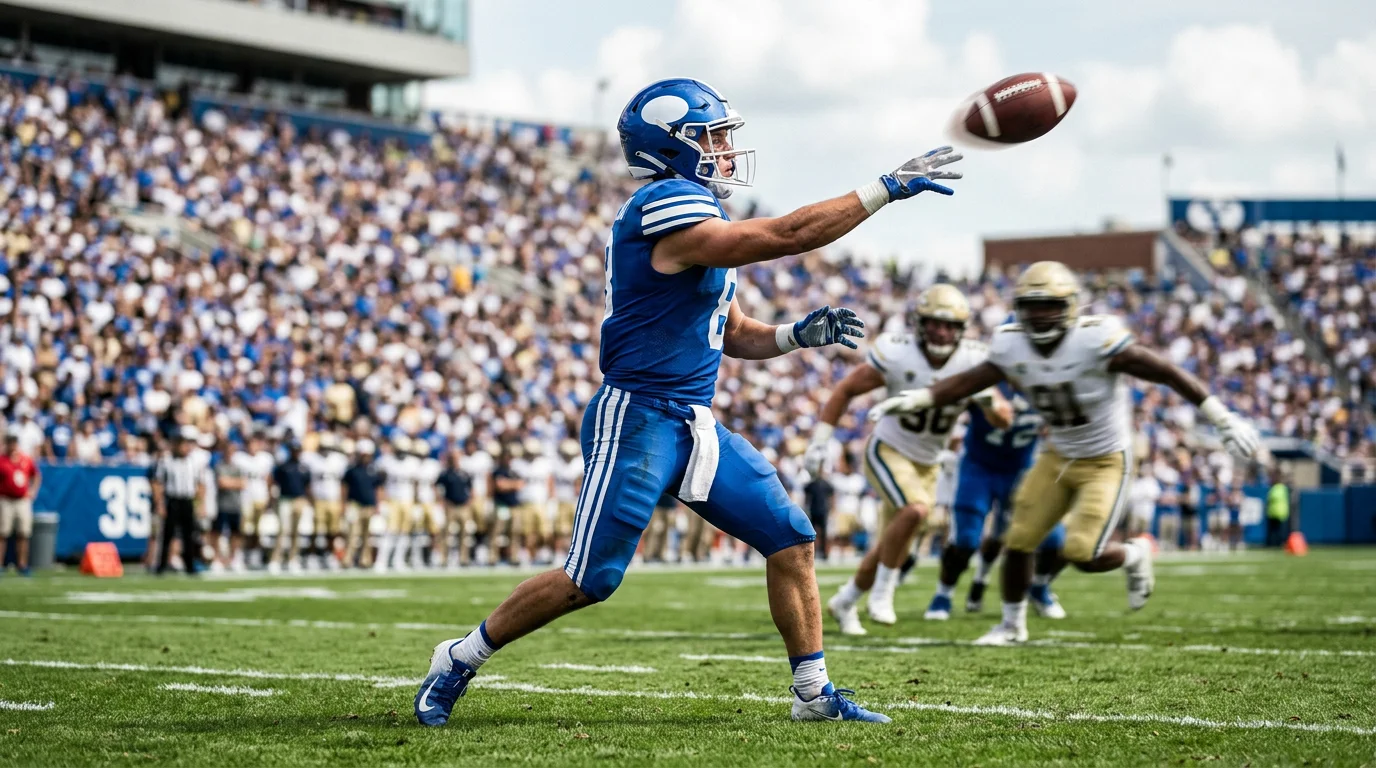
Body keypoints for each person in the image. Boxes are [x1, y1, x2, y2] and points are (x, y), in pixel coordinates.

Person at [415, 76, 962, 727]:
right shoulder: (665, 203)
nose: (726, 149)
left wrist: (794, 335)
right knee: (590, 580)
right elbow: (787, 234)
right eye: (711, 136)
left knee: (791, 537)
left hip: (691, 423)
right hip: (639, 415)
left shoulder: (699, 214)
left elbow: (729, 333)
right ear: (670, 148)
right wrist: (882, 189)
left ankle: (813, 694)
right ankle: (458, 657)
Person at [870, 261, 1261, 645]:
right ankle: (1011, 625)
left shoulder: (1094, 338)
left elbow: (1165, 371)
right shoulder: (1011, 344)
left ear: (1070, 307)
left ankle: (1135, 553)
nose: (1039, 317)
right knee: (1019, 538)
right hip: (1058, 453)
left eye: (1050, 306)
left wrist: (1220, 416)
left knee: (1081, 553)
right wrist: (920, 397)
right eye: (1031, 306)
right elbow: (972, 381)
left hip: (1106, 457)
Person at [804, 284, 1012, 635]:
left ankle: (845, 600)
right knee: (914, 510)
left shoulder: (973, 360)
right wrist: (821, 440)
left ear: (961, 330)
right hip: (888, 449)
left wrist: (990, 401)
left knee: (893, 540)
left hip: (928, 463)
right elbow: (847, 389)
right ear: (920, 322)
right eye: (934, 323)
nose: (941, 332)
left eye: (949, 326)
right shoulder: (898, 352)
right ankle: (882, 594)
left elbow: (1003, 418)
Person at [921, 383, 1067, 621]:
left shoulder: (1048, 383)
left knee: (1055, 540)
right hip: (979, 468)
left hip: (1022, 469)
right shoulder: (987, 379)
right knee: (966, 540)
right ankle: (943, 594)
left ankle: (1039, 587)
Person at [151, 427, 209, 576]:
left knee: (189, 535)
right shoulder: (167, 461)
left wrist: (200, 504)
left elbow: (200, 484)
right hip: (173, 500)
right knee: (167, 534)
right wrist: (160, 503)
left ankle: (189, 565)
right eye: (182, 444)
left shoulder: (194, 462)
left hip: (187, 500)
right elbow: (158, 483)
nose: (185, 448)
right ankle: (162, 565)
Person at [0, 428, 41, 576]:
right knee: (2, 533)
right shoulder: (2, 460)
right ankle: (0, 564)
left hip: (22, 500)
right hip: (5, 499)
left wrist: (33, 491)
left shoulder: (25, 459)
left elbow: (36, 475)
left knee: (23, 533)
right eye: (9, 443)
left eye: (14, 443)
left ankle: (22, 564)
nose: (12, 446)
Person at [269, 440, 312, 573]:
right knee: (283, 530)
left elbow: (307, 486)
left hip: (299, 500)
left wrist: (308, 500)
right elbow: (274, 482)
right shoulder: (283, 467)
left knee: (296, 531)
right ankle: (276, 560)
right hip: (285, 499)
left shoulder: (304, 467)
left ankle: (293, 559)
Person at [342, 439, 381, 568]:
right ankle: (348, 559)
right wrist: (344, 503)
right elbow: (345, 487)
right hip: (355, 505)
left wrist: (377, 505)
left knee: (367, 535)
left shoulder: (373, 470)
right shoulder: (352, 470)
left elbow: (377, 489)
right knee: (353, 533)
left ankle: (365, 560)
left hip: (369, 505)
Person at [210, 440, 248, 572]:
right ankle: (217, 559)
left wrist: (230, 482)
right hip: (222, 504)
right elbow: (222, 483)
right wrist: (235, 483)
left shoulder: (237, 467)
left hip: (236, 504)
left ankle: (233, 558)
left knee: (236, 533)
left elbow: (243, 484)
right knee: (218, 532)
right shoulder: (219, 466)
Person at [438, 448, 474, 568]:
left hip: (463, 506)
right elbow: (437, 487)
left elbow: (471, 489)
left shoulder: (464, 473)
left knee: (464, 533)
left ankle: (463, 558)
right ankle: (444, 558)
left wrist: (470, 502)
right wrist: (442, 501)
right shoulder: (446, 473)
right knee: (446, 533)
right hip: (451, 506)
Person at [1266, 472, 1290, 548]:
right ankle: (1275, 543)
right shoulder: (1282, 488)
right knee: (1276, 530)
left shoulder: (1278, 488)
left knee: (1277, 530)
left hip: (1277, 512)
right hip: (1278, 512)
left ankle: (1277, 543)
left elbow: (1272, 498)